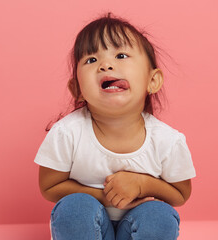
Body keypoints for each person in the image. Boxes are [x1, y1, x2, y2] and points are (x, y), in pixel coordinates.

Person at [34, 13, 196, 240]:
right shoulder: (67, 132)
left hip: (137, 224)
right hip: (88, 226)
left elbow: (180, 194)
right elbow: (49, 187)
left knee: (159, 216)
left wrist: (142, 184)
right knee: (74, 209)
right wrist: (102, 196)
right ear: (77, 89)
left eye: (121, 55)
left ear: (153, 81)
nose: (106, 65)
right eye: (91, 60)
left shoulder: (167, 140)